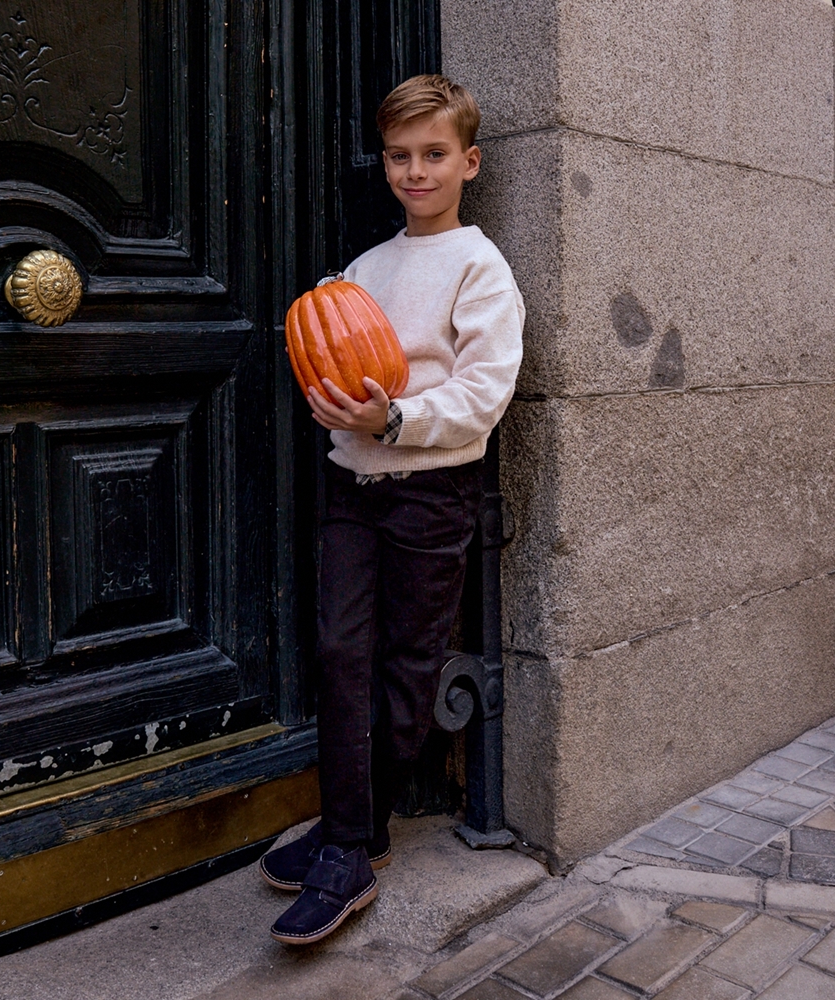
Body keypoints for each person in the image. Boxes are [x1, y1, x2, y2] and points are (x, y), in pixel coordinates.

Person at [262, 74, 526, 945]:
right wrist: (341, 408)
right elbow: (336, 357)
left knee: (408, 666)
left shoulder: (481, 269)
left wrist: (397, 418)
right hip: (352, 486)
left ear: (469, 162)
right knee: (340, 652)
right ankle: (350, 830)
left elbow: (485, 394)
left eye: (434, 155)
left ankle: (353, 838)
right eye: (401, 156)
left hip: (431, 491)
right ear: (385, 163)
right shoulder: (364, 270)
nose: (416, 171)